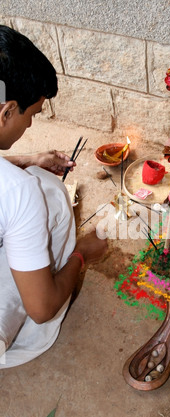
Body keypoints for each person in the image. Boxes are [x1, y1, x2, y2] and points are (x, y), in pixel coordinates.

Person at [0, 25, 107, 368]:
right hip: (31, 318)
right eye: (31, 115)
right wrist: (80, 254)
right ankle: (22, 339)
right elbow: (42, 308)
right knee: (50, 194)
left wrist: (30, 159)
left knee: (39, 181)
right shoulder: (17, 191)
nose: (30, 126)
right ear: (6, 112)